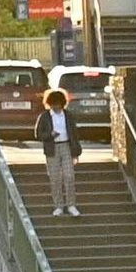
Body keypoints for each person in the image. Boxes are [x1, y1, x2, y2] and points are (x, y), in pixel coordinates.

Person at [37, 85, 85, 213]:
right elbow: (38, 134)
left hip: (66, 146)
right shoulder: (45, 116)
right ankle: (58, 205)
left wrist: (76, 151)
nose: (56, 107)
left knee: (69, 176)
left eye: (58, 104)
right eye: (53, 104)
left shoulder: (68, 116)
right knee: (55, 178)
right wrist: (49, 135)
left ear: (63, 103)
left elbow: (74, 133)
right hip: (52, 148)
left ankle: (71, 204)